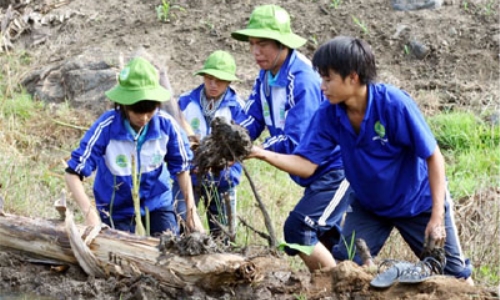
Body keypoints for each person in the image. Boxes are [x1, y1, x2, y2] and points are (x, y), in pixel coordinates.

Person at [249, 36, 473, 284]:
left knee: (456, 277)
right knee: (347, 268)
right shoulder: (329, 113)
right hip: (370, 206)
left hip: (417, 202)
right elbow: (306, 165)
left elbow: (434, 157)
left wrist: (436, 218)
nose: (322, 86)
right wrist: (261, 153)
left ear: (353, 77)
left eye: (328, 78)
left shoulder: (393, 104)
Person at [231, 4, 351, 272]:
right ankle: (345, 280)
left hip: (336, 171)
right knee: (327, 240)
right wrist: (229, 141)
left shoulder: (303, 78)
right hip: (314, 174)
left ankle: (335, 287)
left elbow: (296, 140)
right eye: (252, 44)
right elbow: (252, 118)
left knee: (300, 228)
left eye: (262, 44)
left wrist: (253, 148)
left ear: (282, 44)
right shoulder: (265, 75)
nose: (255, 52)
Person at [65, 57, 204, 236]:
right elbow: (72, 173)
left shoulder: (166, 125)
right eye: (137, 111)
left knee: (168, 246)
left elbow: (182, 168)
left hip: (157, 202)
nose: (144, 118)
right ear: (123, 105)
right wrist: (90, 215)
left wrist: (192, 214)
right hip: (116, 209)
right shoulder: (106, 127)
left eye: (149, 110)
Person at [173, 50, 246, 239]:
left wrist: (225, 162)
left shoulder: (238, 107)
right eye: (209, 78)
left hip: (224, 179)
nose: (213, 84)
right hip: (190, 177)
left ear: (229, 82)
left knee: (224, 233)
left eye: (219, 80)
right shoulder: (185, 101)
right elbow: (176, 136)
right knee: (182, 226)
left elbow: (242, 144)